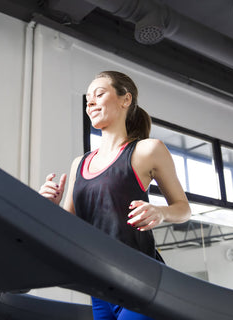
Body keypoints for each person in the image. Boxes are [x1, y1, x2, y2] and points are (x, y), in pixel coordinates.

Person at [39, 71, 191, 320]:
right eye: (88, 98)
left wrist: (160, 212)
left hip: (141, 281)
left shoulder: (147, 150)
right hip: (100, 286)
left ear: (125, 99)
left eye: (99, 94)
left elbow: (183, 208)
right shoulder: (80, 163)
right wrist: (48, 207)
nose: (90, 103)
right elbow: (68, 227)